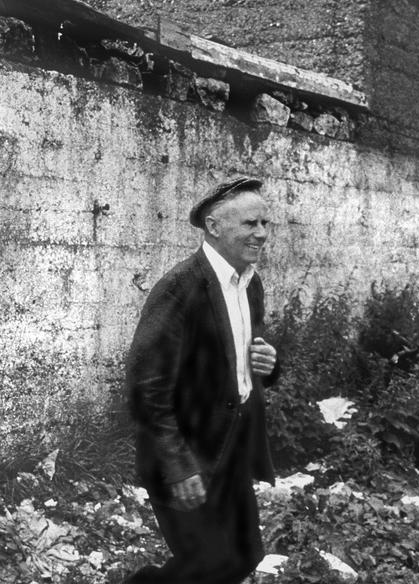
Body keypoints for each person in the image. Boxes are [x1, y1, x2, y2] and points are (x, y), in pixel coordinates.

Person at [122, 176, 280, 584]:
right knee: (210, 562)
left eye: (265, 223)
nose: (261, 234)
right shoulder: (179, 288)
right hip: (186, 453)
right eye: (250, 224)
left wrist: (269, 363)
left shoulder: (250, 283)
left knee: (245, 555)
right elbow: (146, 386)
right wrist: (178, 465)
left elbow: (243, 362)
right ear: (214, 226)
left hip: (231, 449)